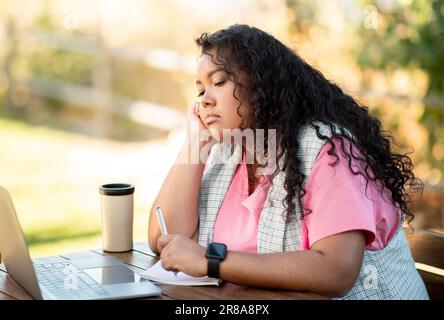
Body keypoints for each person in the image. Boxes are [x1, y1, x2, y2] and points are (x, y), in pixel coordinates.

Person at [148, 24, 429, 299]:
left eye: (218, 82)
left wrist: (211, 261)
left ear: (261, 84)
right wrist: (196, 142)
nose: (204, 101)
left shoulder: (328, 150)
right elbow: (166, 239)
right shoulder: (230, 150)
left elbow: (336, 271)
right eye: (200, 90)